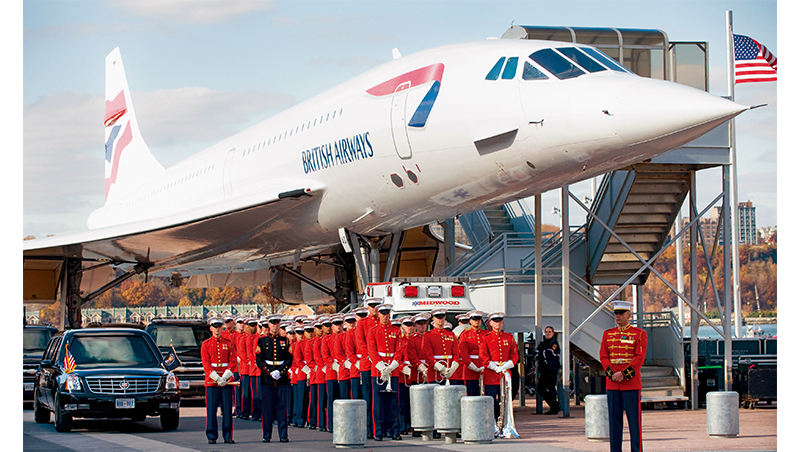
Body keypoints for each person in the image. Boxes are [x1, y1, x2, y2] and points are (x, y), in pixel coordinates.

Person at [599, 300, 647, 452]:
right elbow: (603, 357)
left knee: (634, 422)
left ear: (629, 315)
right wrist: (612, 374)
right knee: (614, 422)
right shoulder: (608, 334)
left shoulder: (639, 334)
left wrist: (624, 375)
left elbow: (639, 357)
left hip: (631, 383)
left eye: (621, 313)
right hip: (612, 384)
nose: (617, 316)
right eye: (616, 313)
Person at [366, 302, 404, 441]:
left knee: (394, 403)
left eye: (387, 313)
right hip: (378, 370)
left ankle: (394, 431)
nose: (385, 316)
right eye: (382, 313)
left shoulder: (396, 330)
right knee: (378, 403)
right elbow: (372, 351)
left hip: (392, 370)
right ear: (379, 315)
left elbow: (399, 350)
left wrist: (392, 366)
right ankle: (378, 431)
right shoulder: (373, 330)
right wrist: (382, 368)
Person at [256, 314, 293, 443]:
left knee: (282, 408)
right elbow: (259, 361)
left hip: (282, 379)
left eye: (277, 323)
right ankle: (267, 435)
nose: (275, 326)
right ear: (269, 325)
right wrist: (270, 372)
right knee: (267, 409)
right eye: (272, 323)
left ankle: (283, 434)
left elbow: (289, 359)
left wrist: (281, 371)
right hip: (267, 379)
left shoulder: (286, 340)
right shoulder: (262, 341)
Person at [201, 317, 237, 444]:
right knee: (211, 410)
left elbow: (233, 362)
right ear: (211, 328)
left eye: (219, 327)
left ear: (222, 328)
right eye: (214, 327)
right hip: (212, 381)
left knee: (227, 410)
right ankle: (211, 436)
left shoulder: (229, 343)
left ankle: (228, 436)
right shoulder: (206, 344)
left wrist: (224, 377)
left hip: (226, 381)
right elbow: (206, 364)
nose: (217, 329)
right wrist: (217, 378)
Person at [479, 311, 519, 419]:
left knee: (505, 400)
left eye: (499, 321)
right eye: (495, 322)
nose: (497, 324)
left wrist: (505, 367)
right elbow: (483, 355)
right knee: (490, 400)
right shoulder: (486, 338)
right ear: (490, 323)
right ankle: (490, 423)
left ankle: (504, 423)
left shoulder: (509, 337)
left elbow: (514, 355)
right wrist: (495, 367)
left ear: (503, 323)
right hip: (491, 374)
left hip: (505, 373)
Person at [355, 297, 382, 438]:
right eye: (372, 306)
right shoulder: (363, 323)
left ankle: (380, 427)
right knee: (367, 398)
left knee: (379, 398)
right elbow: (360, 342)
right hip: (367, 364)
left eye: (377, 306)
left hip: (380, 366)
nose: (374, 308)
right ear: (368, 308)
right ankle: (368, 428)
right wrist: (371, 356)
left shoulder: (383, 323)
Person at [421, 308, 460, 384]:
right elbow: (428, 355)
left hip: (451, 372)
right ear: (434, 319)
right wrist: (440, 368)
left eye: (442, 317)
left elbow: (456, 352)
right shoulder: (428, 335)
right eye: (438, 317)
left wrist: (454, 366)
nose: (440, 320)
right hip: (435, 372)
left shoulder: (451, 335)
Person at [459, 310, 486, 397]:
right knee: (472, 395)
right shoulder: (465, 335)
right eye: (474, 319)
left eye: (478, 319)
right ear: (470, 321)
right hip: (470, 369)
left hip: (485, 368)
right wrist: (474, 367)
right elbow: (464, 354)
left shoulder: (486, 334)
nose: (476, 321)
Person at [536, 325, 561, 415]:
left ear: (553, 333)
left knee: (551, 388)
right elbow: (537, 353)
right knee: (541, 388)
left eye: (549, 332)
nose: (547, 333)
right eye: (546, 332)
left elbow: (549, 353)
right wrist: (540, 354)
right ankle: (554, 405)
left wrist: (542, 354)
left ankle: (554, 407)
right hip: (544, 369)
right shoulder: (543, 343)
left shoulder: (554, 343)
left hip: (551, 369)